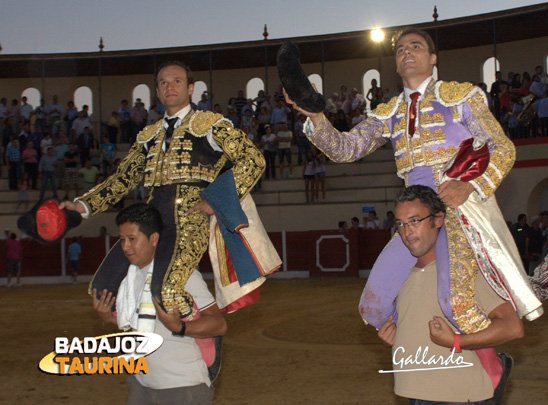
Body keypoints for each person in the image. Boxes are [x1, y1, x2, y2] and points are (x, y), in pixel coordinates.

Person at [284, 26, 542, 334]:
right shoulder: (389, 112)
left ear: (433, 58)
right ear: (395, 64)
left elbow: (502, 147)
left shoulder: (460, 97)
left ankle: (492, 367)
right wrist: (315, 117)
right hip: (414, 215)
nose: (407, 52)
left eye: (416, 47)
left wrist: (469, 184)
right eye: (401, 49)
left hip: (458, 210)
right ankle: (417, 351)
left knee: (455, 303)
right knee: (373, 307)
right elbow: (346, 149)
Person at [60, 60, 265, 321]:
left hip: (189, 221)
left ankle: (207, 336)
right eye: (163, 83)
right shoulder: (148, 134)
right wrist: (82, 206)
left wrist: (217, 200)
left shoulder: (210, 124)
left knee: (166, 293)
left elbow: (253, 159)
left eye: (177, 81)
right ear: (157, 92)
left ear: (191, 88)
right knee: (103, 290)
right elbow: (122, 179)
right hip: (149, 221)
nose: (170, 86)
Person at [377, 185, 522, 403]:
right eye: (400, 224)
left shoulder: (465, 270)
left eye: (415, 221)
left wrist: (456, 341)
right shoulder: (402, 275)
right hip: (416, 394)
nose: (407, 232)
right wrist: (397, 337)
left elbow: (512, 327)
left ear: (437, 220)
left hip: (458, 396)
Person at [92, 203, 226, 404]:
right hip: (141, 384)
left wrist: (180, 327)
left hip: (183, 388)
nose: (125, 247)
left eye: (132, 239)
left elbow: (219, 325)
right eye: (122, 240)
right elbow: (142, 327)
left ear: (153, 239)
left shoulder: (182, 276)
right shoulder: (129, 277)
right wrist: (109, 318)